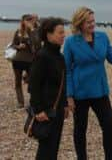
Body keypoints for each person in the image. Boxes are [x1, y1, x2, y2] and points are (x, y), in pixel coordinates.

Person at [64, 6, 112, 160]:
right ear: (79, 23)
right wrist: (69, 96)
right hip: (80, 93)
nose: (92, 24)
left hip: (100, 91)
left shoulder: (102, 37)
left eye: (93, 21)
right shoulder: (71, 42)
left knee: (108, 127)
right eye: (88, 22)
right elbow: (66, 70)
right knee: (80, 130)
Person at [29, 17, 68, 160]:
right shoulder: (42, 56)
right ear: (48, 35)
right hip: (45, 110)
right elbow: (33, 85)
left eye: (64, 32)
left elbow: (62, 84)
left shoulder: (60, 56)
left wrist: (64, 105)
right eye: (60, 32)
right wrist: (38, 109)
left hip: (57, 109)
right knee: (46, 148)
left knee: (54, 146)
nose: (64, 35)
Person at [11, 14, 36, 107]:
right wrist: (18, 46)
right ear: (22, 21)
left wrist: (31, 35)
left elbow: (36, 44)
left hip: (30, 61)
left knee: (32, 81)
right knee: (17, 82)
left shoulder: (33, 32)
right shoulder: (18, 31)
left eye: (30, 20)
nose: (28, 22)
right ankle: (20, 102)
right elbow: (13, 44)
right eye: (26, 20)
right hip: (17, 60)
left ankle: (33, 101)